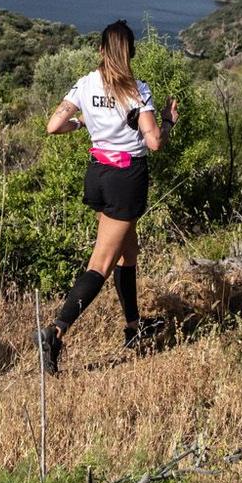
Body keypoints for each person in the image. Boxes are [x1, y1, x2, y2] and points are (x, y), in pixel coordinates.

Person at [38, 20, 177, 373]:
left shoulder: (85, 83)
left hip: (98, 175)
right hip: (126, 178)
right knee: (101, 261)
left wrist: (83, 123)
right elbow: (155, 142)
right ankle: (56, 332)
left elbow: (54, 126)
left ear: (101, 50)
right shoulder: (137, 90)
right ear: (129, 52)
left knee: (127, 254)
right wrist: (168, 121)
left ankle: (133, 328)